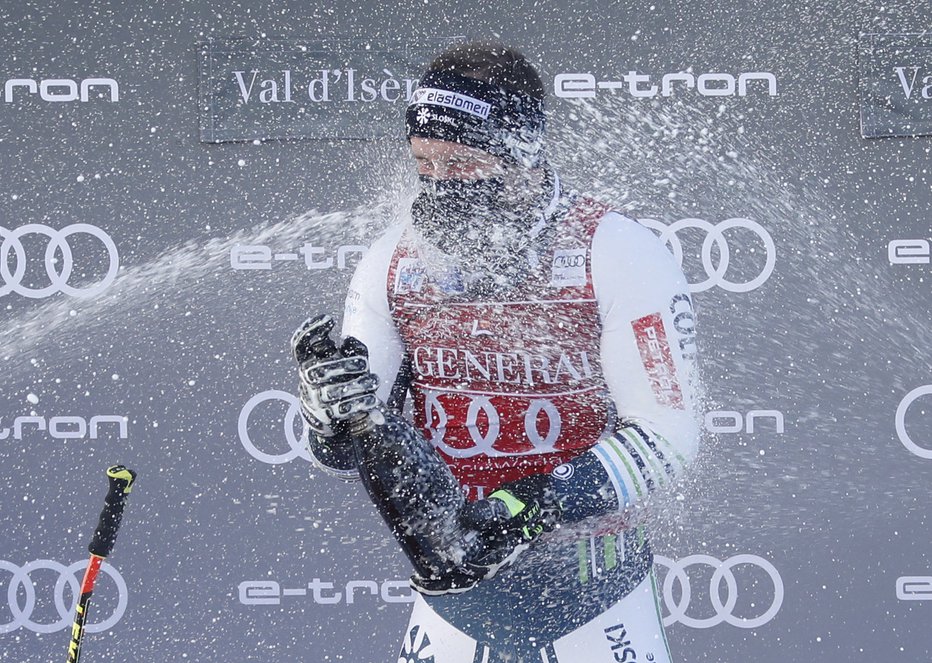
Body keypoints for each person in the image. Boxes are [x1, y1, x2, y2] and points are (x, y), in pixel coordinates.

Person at [291, 42, 701, 663]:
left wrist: (539, 500)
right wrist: (329, 413)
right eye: (424, 163)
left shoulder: (616, 253)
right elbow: (347, 447)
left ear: (523, 153)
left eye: (460, 163)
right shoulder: (392, 263)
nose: (438, 184)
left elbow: (670, 434)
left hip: (594, 592)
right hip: (455, 596)